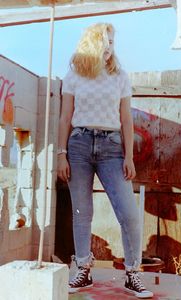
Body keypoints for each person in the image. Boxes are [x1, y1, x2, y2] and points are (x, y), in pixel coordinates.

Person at [57, 23, 153, 299]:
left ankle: (133, 274)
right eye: (104, 41)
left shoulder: (120, 76)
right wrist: (61, 154)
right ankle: (84, 269)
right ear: (91, 43)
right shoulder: (74, 74)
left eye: (112, 42)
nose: (109, 47)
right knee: (82, 213)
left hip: (112, 147)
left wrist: (129, 156)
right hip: (79, 145)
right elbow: (65, 117)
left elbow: (126, 119)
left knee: (129, 215)